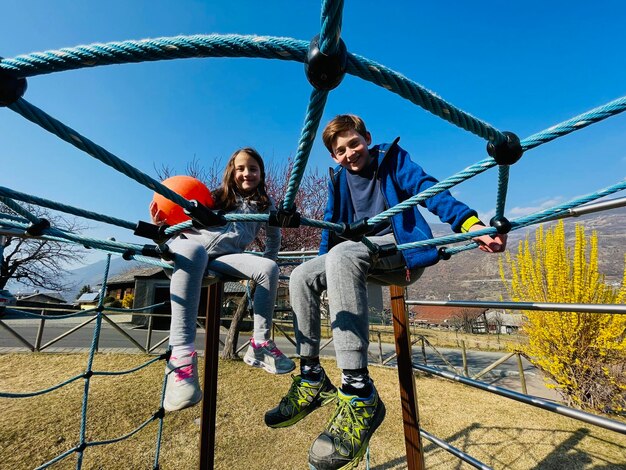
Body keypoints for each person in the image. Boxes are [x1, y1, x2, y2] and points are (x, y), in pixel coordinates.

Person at [265, 115, 507, 469]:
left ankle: (359, 392)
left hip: (400, 250)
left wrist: (470, 224)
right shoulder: (338, 180)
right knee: (302, 274)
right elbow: (330, 234)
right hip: (360, 254)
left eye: (354, 144)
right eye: (340, 150)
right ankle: (312, 376)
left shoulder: (392, 159)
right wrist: (323, 270)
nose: (349, 153)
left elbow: (430, 189)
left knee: (343, 254)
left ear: (367, 138)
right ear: (333, 157)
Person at [159, 147, 295, 412]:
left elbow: (273, 238)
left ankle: (260, 344)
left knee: (267, 267)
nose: (247, 173)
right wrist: (165, 228)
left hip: (224, 259)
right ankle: (181, 360)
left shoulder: (266, 206)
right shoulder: (216, 197)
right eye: (241, 168)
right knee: (195, 249)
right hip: (189, 249)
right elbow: (182, 218)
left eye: (253, 169)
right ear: (232, 172)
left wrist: (268, 263)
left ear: (261, 173)